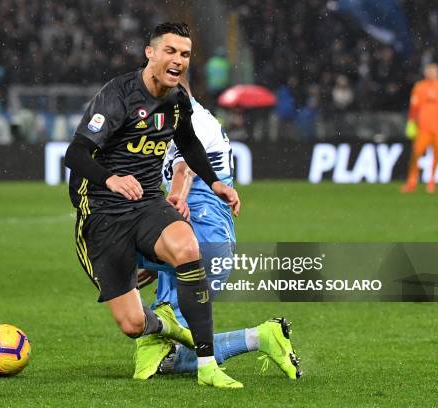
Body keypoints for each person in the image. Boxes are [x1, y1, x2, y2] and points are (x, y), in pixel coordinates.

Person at [64, 22, 243, 388]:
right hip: (102, 211)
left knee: (188, 247)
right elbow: (76, 153)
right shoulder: (118, 96)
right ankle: (165, 326)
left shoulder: (177, 100)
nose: (178, 60)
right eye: (170, 51)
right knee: (132, 325)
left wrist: (216, 183)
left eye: (185, 54)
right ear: (150, 52)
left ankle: (208, 365)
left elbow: (189, 146)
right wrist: (110, 179)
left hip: (147, 201)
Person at [134, 77, 302, 381]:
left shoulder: (194, 120)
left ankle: (260, 337)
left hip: (201, 236)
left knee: (165, 350)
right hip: (205, 237)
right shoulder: (176, 119)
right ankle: (262, 337)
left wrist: (175, 208)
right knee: (167, 342)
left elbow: (184, 170)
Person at [401, 63, 438, 193]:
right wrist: (411, 123)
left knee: (436, 156)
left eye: (434, 71)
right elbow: (414, 108)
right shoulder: (419, 87)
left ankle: (431, 182)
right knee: (416, 155)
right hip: (423, 128)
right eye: (430, 71)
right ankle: (412, 181)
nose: (432, 73)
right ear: (425, 73)